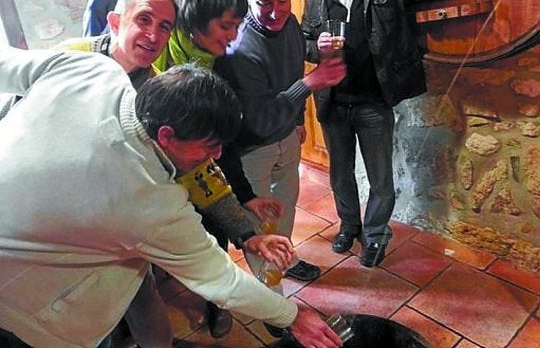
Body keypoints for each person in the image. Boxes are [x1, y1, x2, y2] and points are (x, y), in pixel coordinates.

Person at [0, 48, 343, 348]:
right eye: (209, 146)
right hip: (24, 316)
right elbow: (220, 279)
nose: (215, 155)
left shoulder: (91, 69)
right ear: (166, 136)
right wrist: (293, 316)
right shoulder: (146, 200)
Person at [55, 0, 293, 341]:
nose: (154, 35)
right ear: (116, 21)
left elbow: (200, 167)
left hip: (125, 221)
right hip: (60, 227)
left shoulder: (156, 87)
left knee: (140, 297)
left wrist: (244, 233)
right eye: (144, 20)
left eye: (164, 26)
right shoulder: (73, 59)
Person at [301, 0, 534, 267]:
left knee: (381, 178)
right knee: (340, 175)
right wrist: (315, 47)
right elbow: (303, 42)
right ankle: (348, 226)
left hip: (374, 103)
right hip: (333, 103)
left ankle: (375, 235)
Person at [213, 0, 346, 337]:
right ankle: (273, 307)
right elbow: (258, 118)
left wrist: (297, 121)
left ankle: (283, 263)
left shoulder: (289, 26)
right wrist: (310, 83)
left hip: (286, 137)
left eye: (284, 0)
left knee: (283, 214)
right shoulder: (240, 48)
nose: (275, 12)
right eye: (264, 3)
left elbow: (290, 69)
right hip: (252, 150)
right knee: (260, 225)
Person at [153, 0, 286, 338]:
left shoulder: (222, 65)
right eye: (226, 26)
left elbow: (221, 147)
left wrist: (245, 197)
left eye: (237, 26)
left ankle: (216, 304)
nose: (232, 36)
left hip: (197, 174)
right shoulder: (156, 60)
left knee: (212, 233)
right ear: (196, 21)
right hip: (158, 178)